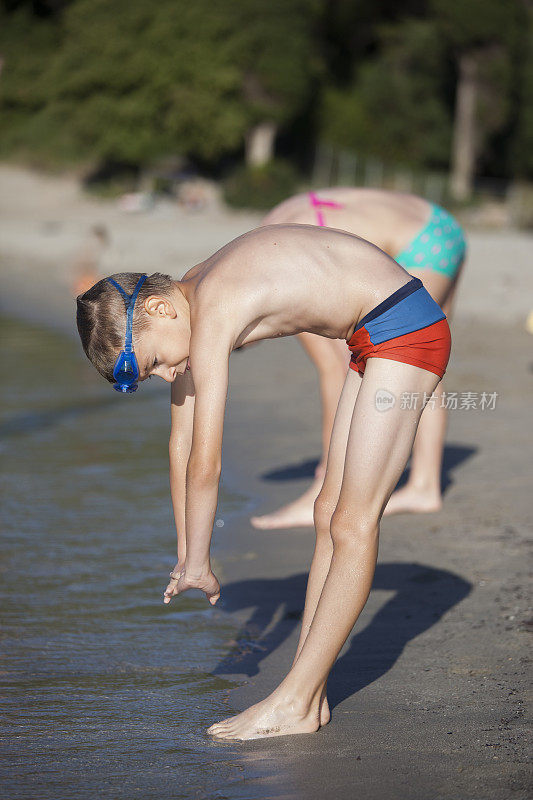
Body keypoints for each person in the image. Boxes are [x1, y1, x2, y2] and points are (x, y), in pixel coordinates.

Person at [76, 224, 450, 740]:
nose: (166, 376)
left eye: (156, 364)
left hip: (407, 331)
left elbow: (207, 459)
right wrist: (187, 556)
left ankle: (295, 701)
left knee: (353, 521)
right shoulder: (189, 295)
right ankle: (308, 695)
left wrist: (206, 561)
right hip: (370, 338)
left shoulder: (214, 303)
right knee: (328, 513)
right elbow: (178, 444)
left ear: (159, 310)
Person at [251, 188, 466, 529]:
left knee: (382, 360)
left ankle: (330, 488)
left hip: (416, 241)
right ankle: (425, 484)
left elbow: (336, 373)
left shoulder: (281, 281)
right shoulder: (268, 232)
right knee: (427, 358)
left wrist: (324, 473)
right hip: (439, 225)